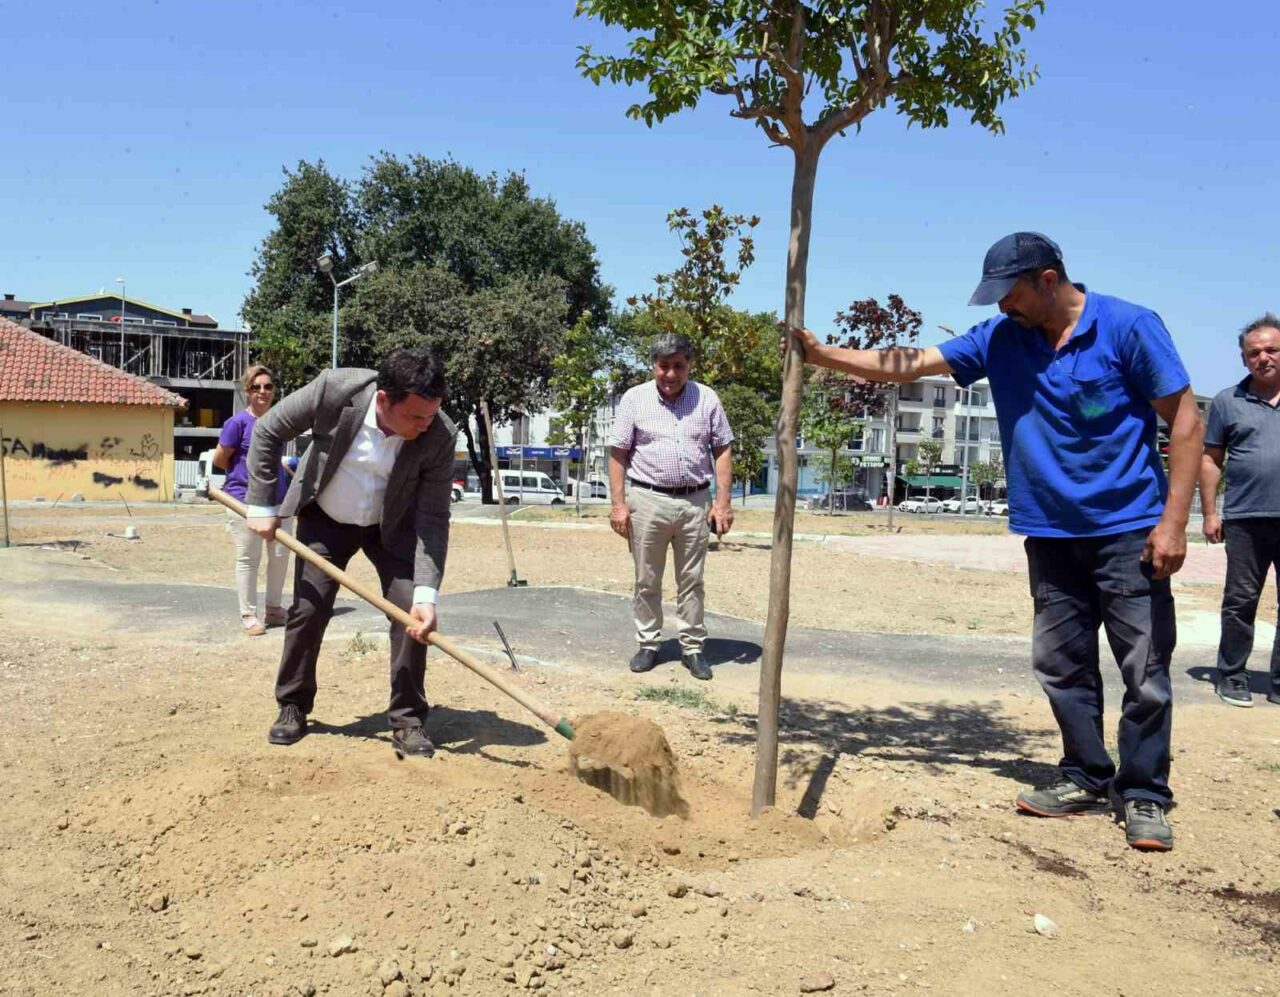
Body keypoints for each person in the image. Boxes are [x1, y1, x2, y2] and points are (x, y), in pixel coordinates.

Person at [790, 232, 1202, 852]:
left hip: (1128, 531)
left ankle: (1144, 793)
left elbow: (1188, 421)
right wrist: (826, 357)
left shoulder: (1130, 327)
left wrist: (1174, 524)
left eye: (1007, 292)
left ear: (1047, 278)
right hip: (1050, 534)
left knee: (1143, 670)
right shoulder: (999, 340)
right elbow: (911, 362)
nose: (999, 307)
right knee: (1061, 666)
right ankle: (1086, 775)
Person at [245, 346, 456, 757]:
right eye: (415, 416)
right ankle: (292, 705)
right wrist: (261, 504)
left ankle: (409, 719)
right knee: (308, 609)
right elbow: (268, 430)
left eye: (431, 415)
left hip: (391, 529)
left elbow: (433, 518)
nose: (424, 425)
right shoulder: (335, 390)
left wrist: (428, 595)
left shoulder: (439, 435)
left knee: (410, 613)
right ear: (383, 400)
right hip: (325, 519)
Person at [608, 333, 735, 681]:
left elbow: (722, 449)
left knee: (692, 579)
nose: (670, 374)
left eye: (678, 366)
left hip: (695, 501)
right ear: (654, 366)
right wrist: (618, 505)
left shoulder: (706, 398)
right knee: (646, 578)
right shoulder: (634, 400)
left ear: (689, 366)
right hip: (647, 500)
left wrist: (723, 502)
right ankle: (649, 644)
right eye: (664, 366)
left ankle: (692, 648)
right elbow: (618, 453)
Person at [1199, 313, 1280, 708]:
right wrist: (1211, 513)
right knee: (1240, 601)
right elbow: (1211, 460)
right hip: (1246, 519)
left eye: (1271, 349)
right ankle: (1232, 675)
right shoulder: (1226, 402)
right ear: (1244, 358)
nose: (1263, 357)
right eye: (1254, 352)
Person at [213, 364, 293, 636]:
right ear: (247, 391)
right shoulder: (237, 424)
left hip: (279, 500)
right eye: (256, 387)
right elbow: (220, 459)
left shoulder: (279, 422)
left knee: (280, 556)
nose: (262, 391)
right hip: (244, 501)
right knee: (249, 557)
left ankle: (274, 609)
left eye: (268, 386)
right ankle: (248, 614)